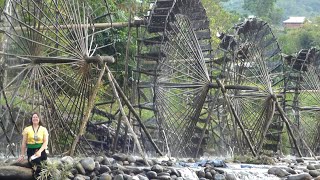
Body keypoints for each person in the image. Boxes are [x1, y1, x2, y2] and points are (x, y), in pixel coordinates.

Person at [17, 112, 49, 178]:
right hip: (31, 151)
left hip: (42, 151)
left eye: (36, 117)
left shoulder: (43, 129)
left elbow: (45, 142)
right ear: (31, 119)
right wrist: (22, 155)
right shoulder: (27, 129)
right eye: (33, 117)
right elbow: (23, 143)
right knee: (38, 165)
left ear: (39, 119)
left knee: (45, 167)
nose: (35, 118)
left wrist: (39, 151)